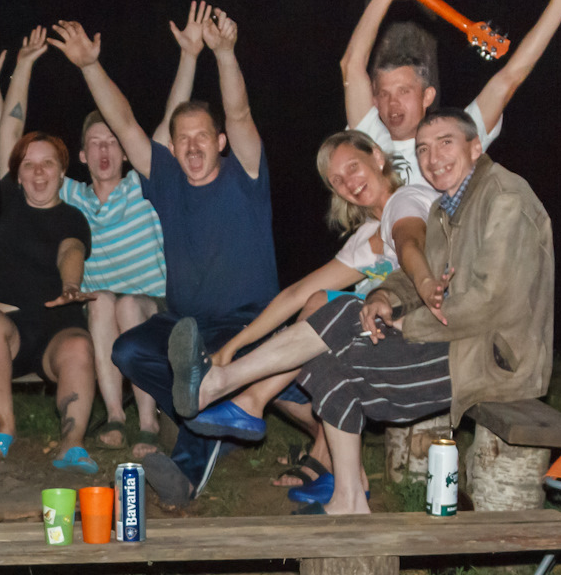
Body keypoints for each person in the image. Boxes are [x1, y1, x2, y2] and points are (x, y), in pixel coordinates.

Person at [185, 107, 554, 515]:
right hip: (454, 340)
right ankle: (348, 496)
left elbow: (458, 280)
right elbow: (315, 290)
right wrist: (383, 298)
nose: (433, 159)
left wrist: (402, 317)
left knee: (336, 316)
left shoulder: (494, 198)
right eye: (424, 149)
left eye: (445, 144)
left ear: (475, 146)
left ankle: (230, 387)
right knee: (321, 357)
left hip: (494, 358)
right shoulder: (449, 207)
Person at [52, 7, 276, 503]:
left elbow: (238, 113)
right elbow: (125, 122)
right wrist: (90, 66)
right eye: (183, 139)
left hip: (247, 320)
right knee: (128, 350)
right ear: (171, 147)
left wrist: (224, 54)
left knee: (192, 365)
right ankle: (217, 416)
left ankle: (188, 469)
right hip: (187, 324)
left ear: (219, 143)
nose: (193, 147)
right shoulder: (167, 180)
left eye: (202, 137)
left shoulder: (245, 174)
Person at [188, 131, 439, 502]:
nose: (349, 183)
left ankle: (252, 401)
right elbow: (295, 294)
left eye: (352, 167)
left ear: (377, 157)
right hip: (377, 338)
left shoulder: (408, 200)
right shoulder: (367, 237)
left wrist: (423, 278)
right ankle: (341, 471)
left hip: (426, 337)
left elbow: (410, 242)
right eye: (337, 180)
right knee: (319, 302)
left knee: (329, 309)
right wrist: (232, 347)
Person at [0, 23, 172, 456]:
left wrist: (69, 285)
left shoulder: (74, 211)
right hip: (12, 330)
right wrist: (22, 65)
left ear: (63, 172)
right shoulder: (13, 197)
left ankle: (74, 444)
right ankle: (5, 425)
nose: (38, 171)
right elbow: (9, 130)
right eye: (29, 165)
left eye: (48, 165)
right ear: (18, 174)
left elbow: (72, 250)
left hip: (62, 329)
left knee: (82, 340)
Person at [343, 0, 561, 183]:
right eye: (384, 94)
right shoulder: (370, 141)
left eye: (404, 91)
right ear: (374, 100)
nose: (392, 103)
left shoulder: (457, 137)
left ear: (427, 96)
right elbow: (351, 65)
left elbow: (509, 79)